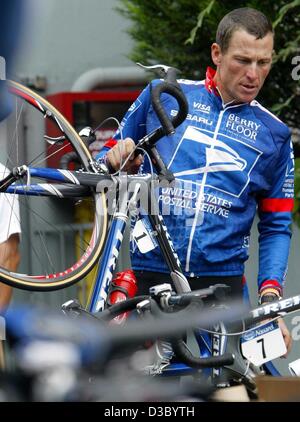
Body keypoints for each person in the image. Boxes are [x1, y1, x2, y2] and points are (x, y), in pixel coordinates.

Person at [97, 8, 294, 354]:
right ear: (216, 54)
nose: (253, 74)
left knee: (231, 388)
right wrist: (117, 155)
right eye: (243, 60)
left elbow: (277, 225)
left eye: (263, 63)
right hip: (150, 275)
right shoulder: (164, 96)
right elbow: (105, 164)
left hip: (222, 286)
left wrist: (270, 299)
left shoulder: (274, 135)